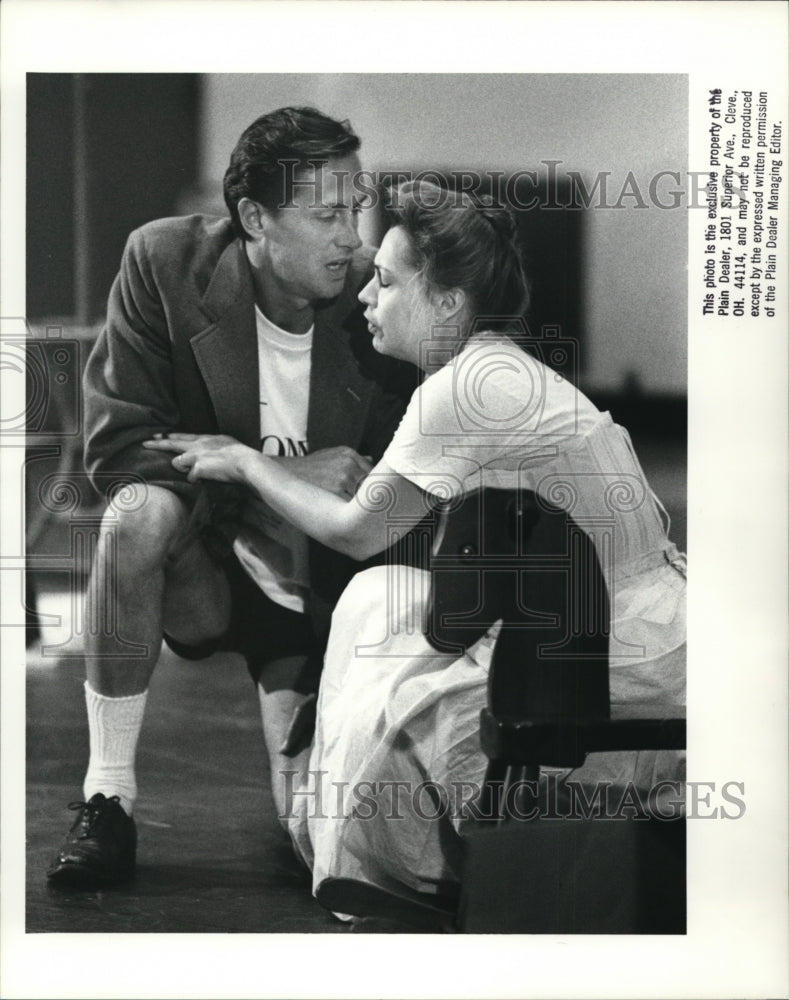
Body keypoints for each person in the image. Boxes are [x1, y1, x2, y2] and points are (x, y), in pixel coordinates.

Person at [143, 180, 687, 916]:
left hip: (618, 645)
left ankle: (382, 863)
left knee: (402, 710)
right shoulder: (487, 367)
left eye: (387, 282)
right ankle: (331, 817)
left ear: (447, 303)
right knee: (374, 601)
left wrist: (243, 461)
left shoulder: (461, 387)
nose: (366, 295)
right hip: (588, 615)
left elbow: (352, 529)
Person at [46, 107, 417, 889]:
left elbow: (392, 488)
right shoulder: (164, 261)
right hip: (201, 565)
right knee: (136, 514)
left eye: (355, 209)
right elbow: (118, 453)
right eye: (325, 214)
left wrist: (259, 474)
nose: (352, 235)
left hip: (308, 591)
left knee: (315, 851)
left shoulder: (372, 312)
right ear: (254, 217)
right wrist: (267, 474)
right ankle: (107, 795)